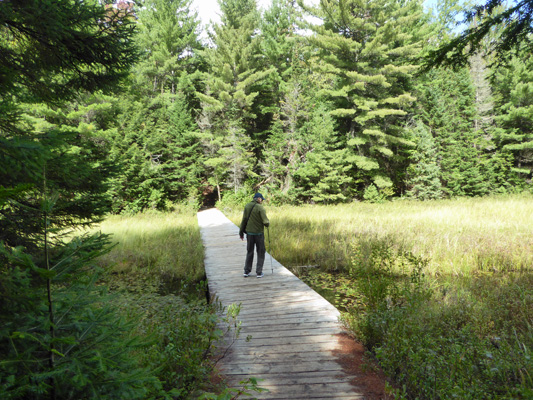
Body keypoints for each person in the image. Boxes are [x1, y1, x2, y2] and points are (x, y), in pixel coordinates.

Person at [239, 193, 269, 278]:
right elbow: (266, 222)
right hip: (259, 234)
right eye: (261, 199)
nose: (262, 201)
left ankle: (246, 271)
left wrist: (241, 232)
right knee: (261, 252)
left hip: (249, 234)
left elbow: (244, 220)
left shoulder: (247, 206)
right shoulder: (260, 208)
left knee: (250, 251)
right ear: (258, 199)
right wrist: (267, 224)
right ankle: (259, 272)